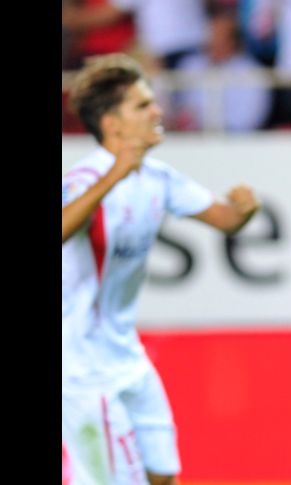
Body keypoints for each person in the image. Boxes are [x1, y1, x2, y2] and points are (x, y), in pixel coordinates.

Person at [62, 53, 261, 485]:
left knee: (163, 473)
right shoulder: (84, 179)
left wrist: (243, 211)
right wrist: (115, 173)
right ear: (112, 124)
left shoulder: (157, 177)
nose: (157, 111)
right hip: (80, 363)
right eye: (142, 105)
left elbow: (223, 219)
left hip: (126, 353)